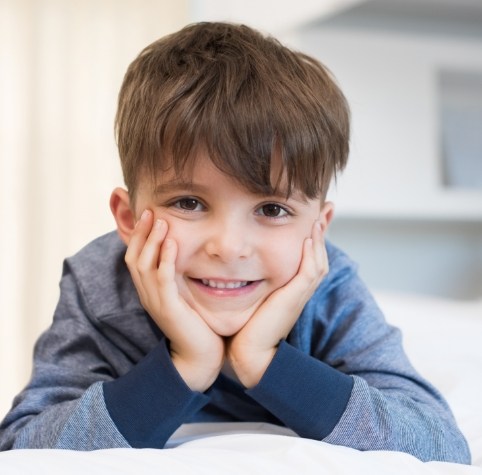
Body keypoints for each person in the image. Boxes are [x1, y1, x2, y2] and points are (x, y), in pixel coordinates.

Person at [0, 22, 470, 463]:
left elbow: (441, 445)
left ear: (318, 229)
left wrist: (265, 361)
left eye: (272, 209)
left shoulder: (329, 291)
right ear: (127, 218)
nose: (229, 247)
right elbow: (24, 447)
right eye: (188, 202)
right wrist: (187, 364)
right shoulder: (99, 286)